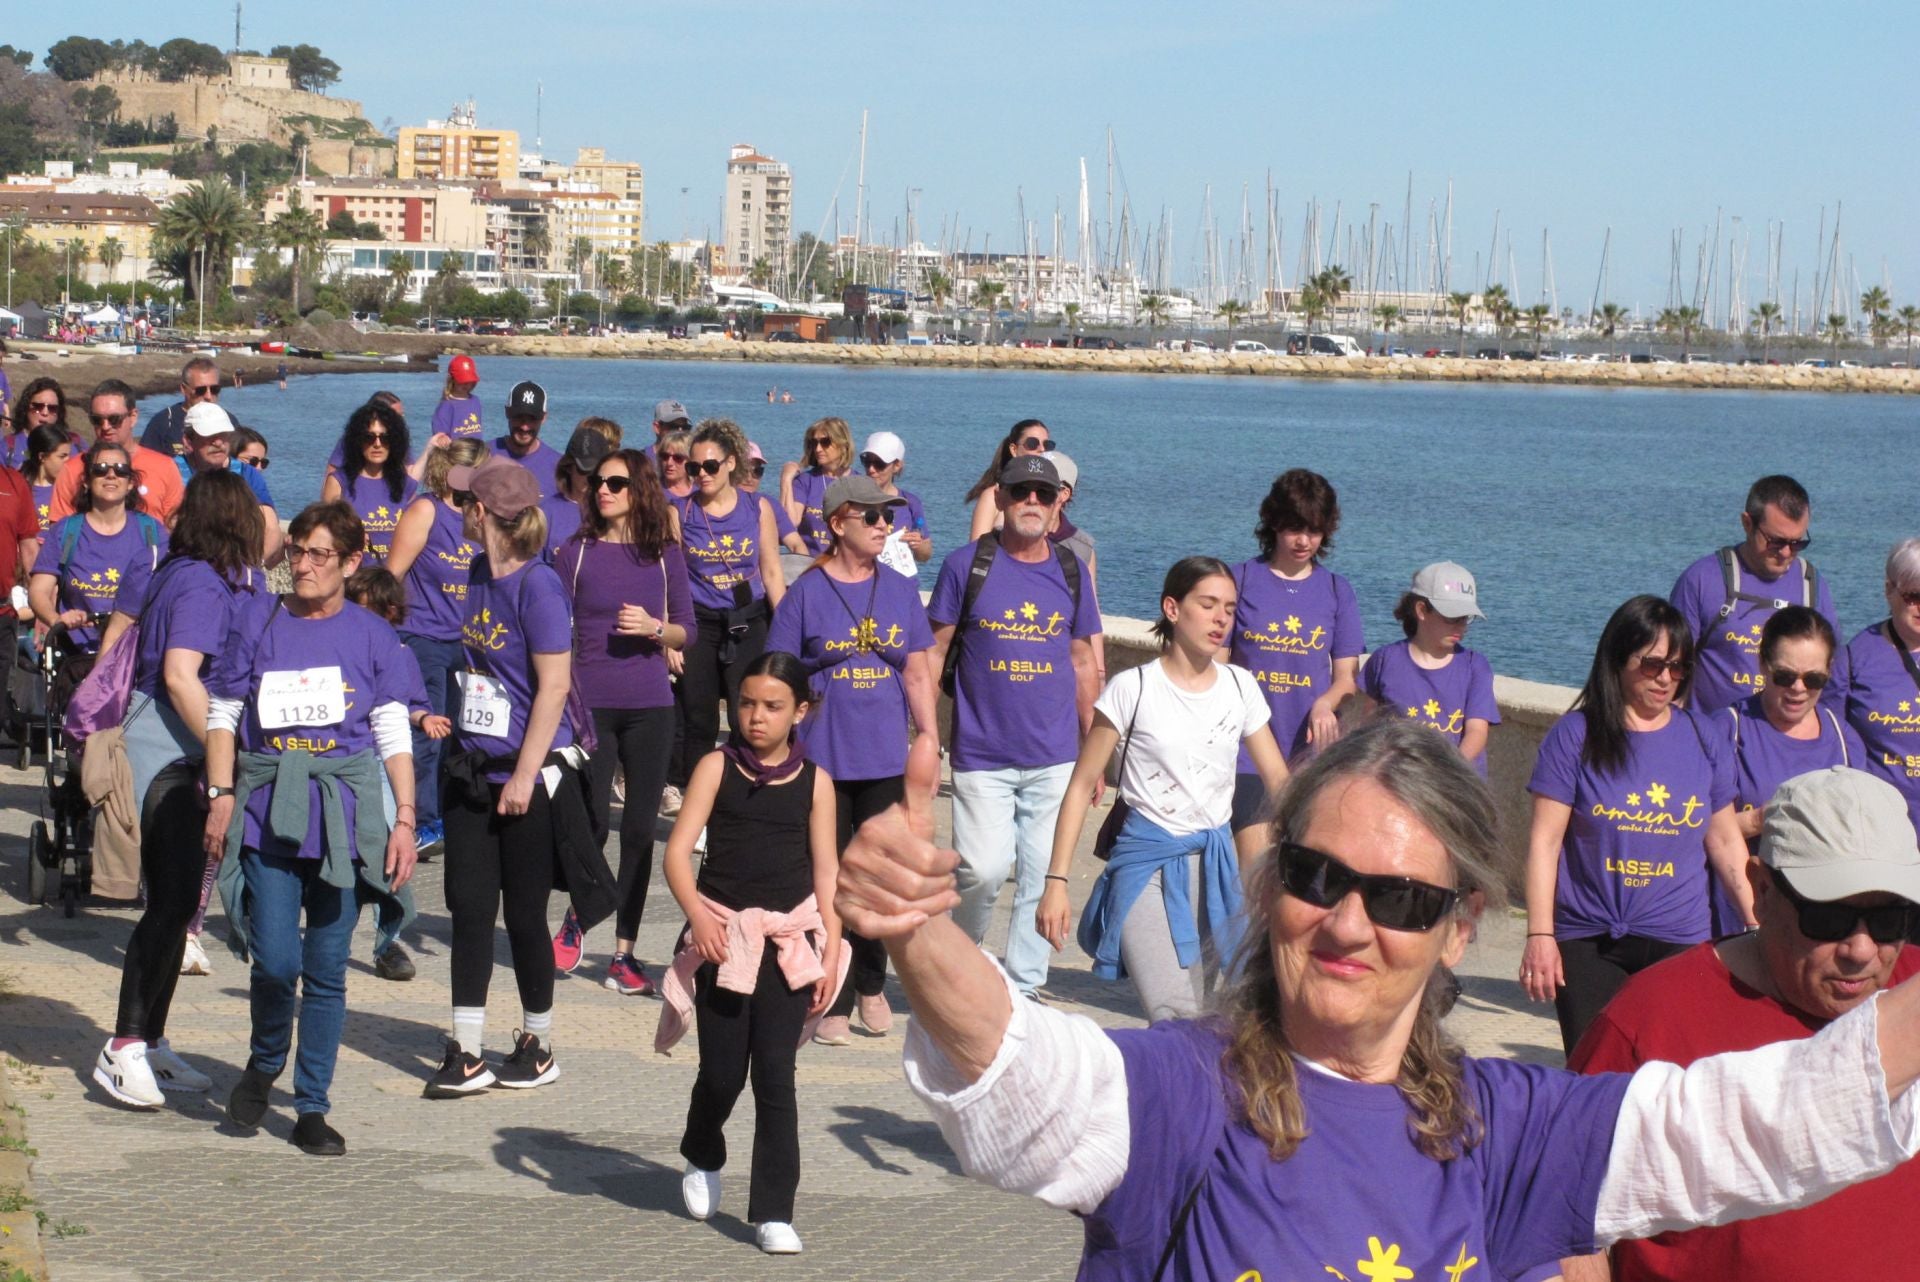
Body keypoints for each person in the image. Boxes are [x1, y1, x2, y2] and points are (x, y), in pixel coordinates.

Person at [833, 717, 1920, 1282]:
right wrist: (916, 928)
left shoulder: (1505, 1133)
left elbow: (1761, 1119)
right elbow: (1022, 1071)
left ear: (1461, 925)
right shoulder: (1185, 1096)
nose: (1348, 926)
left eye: (1400, 898)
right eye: (1317, 878)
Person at [1561, 767, 1920, 1282]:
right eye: (1828, 917)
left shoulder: (1913, 993)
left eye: (1890, 919)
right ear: (1761, 890)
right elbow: (1563, 1209)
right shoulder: (1648, 1019)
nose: (1861, 950)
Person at [203, 502, 420, 1155]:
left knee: (326, 970)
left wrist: (404, 817)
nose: (301, 564)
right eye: (297, 549)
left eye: (318, 553)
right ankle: (266, 1059)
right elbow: (224, 711)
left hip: (343, 817)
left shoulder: (372, 635)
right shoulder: (258, 618)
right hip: (268, 810)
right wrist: (219, 794)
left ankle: (312, 1107)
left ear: (351, 563)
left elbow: (391, 730)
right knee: (275, 962)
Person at [425, 454, 605, 1097]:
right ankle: (466, 1050)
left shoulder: (539, 586)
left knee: (525, 914)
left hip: (530, 774)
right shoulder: (478, 572)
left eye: (464, 502)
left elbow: (554, 686)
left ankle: (537, 1044)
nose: (457, 509)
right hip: (473, 768)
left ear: (482, 513)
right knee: (469, 907)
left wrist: (526, 776)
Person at [1042, 557, 1287, 1020]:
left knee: (1205, 1017)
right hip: (1146, 865)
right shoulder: (1132, 688)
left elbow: (1280, 782)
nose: (1220, 619)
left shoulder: (1241, 687)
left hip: (1216, 868)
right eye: (1208, 605)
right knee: (1173, 1014)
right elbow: (1080, 787)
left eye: (1229, 609)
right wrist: (1056, 882)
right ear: (1172, 609)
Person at [658, 650, 842, 1256]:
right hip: (724, 939)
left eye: (772, 706)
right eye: (746, 704)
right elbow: (677, 854)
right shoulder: (716, 766)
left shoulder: (816, 783)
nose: (756, 717)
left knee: (775, 1076)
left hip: (788, 945)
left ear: (800, 712)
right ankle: (702, 1153)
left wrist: (830, 949)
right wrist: (697, 917)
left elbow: (827, 874)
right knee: (721, 1073)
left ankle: (773, 1212)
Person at [93, 470, 262, 1109]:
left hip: (170, 751)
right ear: (235, 522)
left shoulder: (183, 572)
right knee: (168, 906)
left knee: (180, 902)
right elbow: (181, 675)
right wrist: (226, 755)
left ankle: (153, 1040)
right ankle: (124, 1045)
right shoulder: (200, 584)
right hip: (168, 756)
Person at [1523, 595, 1752, 1053]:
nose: (1666, 678)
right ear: (1618, 659)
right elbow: (1544, 844)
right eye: (1652, 664)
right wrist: (1540, 935)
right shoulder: (1576, 735)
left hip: (1679, 938)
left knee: (1670, 1071)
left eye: (1678, 667)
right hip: (1588, 938)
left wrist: (1755, 920)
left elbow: (1726, 841)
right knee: (1597, 1069)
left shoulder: (1704, 737)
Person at [767, 474, 939, 1043]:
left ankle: (871, 982)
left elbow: (918, 672)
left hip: (885, 757)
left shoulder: (898, 588)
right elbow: (778, 675)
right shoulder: (807, 593)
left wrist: (929, 739)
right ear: (838, 523)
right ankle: (832, 994)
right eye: (872, 516)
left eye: (888, 515)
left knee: (878, 876)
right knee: (831, 877)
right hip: (823, 758)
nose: (885, 524)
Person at [929, 455, 1100, 999]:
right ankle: (964, 962)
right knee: (981, 870)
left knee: (1041, 874)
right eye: (1021, 490)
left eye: (1043, 494)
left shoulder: (1072, 571)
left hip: (1056, 755)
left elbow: (1082, 662)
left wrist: (1096, 752)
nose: (1032, 501)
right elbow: (934, 653)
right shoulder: (965, 566)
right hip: (982, 753)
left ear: (1056, 505)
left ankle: (1023, 989)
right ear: (1000, 497)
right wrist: (924, 738)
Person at [551, 447, 692, 995]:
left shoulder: (663, 554)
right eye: (598, 483)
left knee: (638, 832)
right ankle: (579, 914)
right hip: (590, 706)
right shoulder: (575, 553)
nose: (603, 490)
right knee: (590, 823)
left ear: (639, 490)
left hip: (651, 707)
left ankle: (624, 954)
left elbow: (686, 631)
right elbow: (550, 624)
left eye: (616, 482)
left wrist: (656, 628)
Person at [1226, 468, 1363, 857]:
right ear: (1273, 523)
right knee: (1256, 871)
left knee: (1300, 874)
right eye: (1294, 529)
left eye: (1314, 530)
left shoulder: (1337, 591)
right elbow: (1217, 668)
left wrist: (1325, 703)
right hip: (1246, 752)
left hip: (1310, 756)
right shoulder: (1240, 580)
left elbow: (1347, 679)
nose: (1304, 541)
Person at [667, 420, 786, 803]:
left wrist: (788, 629)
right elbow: (670, 578)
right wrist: (669, 636)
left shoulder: (757, 508)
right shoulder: (680, 512)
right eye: (694, 467)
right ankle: (697, 801)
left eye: (710, 466)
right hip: (698, 623)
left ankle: (744, 796)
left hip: (748, 620)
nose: (701, 474)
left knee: (746, 716)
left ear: (731, 463)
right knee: (698, 718)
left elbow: (772, 571)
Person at [386, 439, 489, 856]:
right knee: (427, 735)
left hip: (468, 641)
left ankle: (450, 813)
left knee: (462, 736)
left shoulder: (480, 514)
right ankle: (423, 822)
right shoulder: (426, 510)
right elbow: (392, 574)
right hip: (423, 636)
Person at [1670, 474, 1842, 714]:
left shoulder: (1812, 586)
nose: (1786, 553)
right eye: (1776, 541)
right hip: (1711, 731)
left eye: (1797, 543)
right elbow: (1671, 668)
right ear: (1747, 524)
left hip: (1784, 733)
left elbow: (1834, 677)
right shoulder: (1701, 580)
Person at [1357, 562, 1500, 775]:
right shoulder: (1385, 660)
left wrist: (1445, 774)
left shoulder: (1475, 667)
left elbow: (1477, 732)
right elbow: (1369, 724)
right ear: (1422, 610)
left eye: (1466, 618)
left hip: (1455, 783)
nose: (1461, 626)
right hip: (1400, 781)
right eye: (1452, 617)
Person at [29, 440, 164, 659]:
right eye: (100, 469)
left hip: (134, 655)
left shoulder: (153, 532)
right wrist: (56, 620)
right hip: (77, 654)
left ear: (130, 483)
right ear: (86, 481)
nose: (111, 475)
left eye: (120, 470)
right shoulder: (66, 531)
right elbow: (38, 591)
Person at [1839, 538, 1920, 840]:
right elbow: (1833, 740)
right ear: (1889, 590)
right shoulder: (1856, 656)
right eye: (1913, 596)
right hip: (1880, 828)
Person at [50, 380, 184, 524]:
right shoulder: (72, 469)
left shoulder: (165, 467)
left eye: (114, 419)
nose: (105, 426)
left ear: (133, 417)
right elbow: (59, 529)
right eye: (97, 420)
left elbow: (175, 527)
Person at [170, 402, 282, 562]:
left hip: (237, 564)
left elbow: (271, 529)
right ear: (188, 441)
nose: (218, 443)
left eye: (223, 435)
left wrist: (251, 567)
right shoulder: (170, 471)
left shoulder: (247, 474)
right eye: (209, 436)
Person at [320, 401, 416, 566]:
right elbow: (325, 534)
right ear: (357, 440)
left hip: (395, 578)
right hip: (354, 576)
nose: (377, 444)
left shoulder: (404, 483)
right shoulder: (338, 482)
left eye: (385, 438)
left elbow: (414, 534)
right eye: (369, 437)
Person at [964, 418, 1055, 540]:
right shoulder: (992, 496)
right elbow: (976, 546)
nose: (1042, 449)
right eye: (1032, 443)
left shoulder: (1049, 495)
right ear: (1014, 449)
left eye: (1047, 445)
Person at [858, 431, 931, 575]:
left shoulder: (911, 503)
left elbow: (925, 555)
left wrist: (918, 544)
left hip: (902, 583)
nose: (871, 469)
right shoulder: (854, 501)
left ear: (897, 465)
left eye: (879, 464)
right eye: (867, 461)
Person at [778, 416, 853, 556]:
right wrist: (786, 480)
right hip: (810, 562)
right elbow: (790, 523)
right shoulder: (805, 482)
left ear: (842, 444)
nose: (818, 449)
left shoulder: (859, 483)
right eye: (814, 443)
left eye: (825, 442)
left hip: (847, 563)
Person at [542, 422, 618, 558]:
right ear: (568, 467)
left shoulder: (614, 511)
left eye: (595, 471)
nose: (589, 477)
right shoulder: (545, 513)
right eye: (583, 470)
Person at [491, 379, 563, 500]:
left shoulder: (559, 467)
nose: (524, 427)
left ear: (544, 418)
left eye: (532, 419)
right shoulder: (485, 455)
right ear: (507, 412)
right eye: (519, 417)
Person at [137, 355, 221, 456]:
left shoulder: (229, 421)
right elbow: (145, 460)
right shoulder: (163, 423)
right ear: (184, 389)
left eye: (214, 389)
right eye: (200, 390)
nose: (208, 396)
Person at [741, 441, 807, 556]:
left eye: (757, 471)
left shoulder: (770, 505)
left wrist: (804, 565)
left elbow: (796, 545)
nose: (749, 478)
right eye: (743, 471)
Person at [22, 421, 70, 531]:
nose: (68, 461)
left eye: (68, 456)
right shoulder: (20, 487)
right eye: (62, 456)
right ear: (42, 456)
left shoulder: (69, 489)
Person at [430, 354, 483, 442]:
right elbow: (440, 437)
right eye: (462, 381)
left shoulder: (475, 401)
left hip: (476, 448)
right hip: (456, 450)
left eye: (469, 381)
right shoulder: (446, 406)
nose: (466, 384)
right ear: (452, 379)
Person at [645, 398, 691, 465]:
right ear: (657, 427)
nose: (680, 432)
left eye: (685, 427)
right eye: (673, 427)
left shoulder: (693, 461)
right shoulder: (641, 461)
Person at [656, 429, 693, 502]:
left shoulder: (701, 489)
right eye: (665, 456)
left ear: (690, 460)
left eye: (678, 458)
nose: (669, 463)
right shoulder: (652, 491)